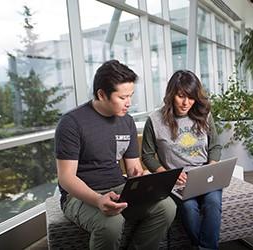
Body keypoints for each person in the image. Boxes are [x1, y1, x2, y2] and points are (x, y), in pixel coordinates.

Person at [54, 60, 176, 250]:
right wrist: (97, 200)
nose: (129, 103)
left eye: (131, 96)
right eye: (123, 97)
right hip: (79, 196)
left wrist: (142, 177)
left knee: (167, 208)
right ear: (101, 94)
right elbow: (66, 178)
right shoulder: (71, 123)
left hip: (119, 187)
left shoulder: (126, 121)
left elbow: (133, 168)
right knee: (111, 224)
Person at [141, 70, 222, 250]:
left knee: (213, 203)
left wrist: (211, 168)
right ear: (171, 95)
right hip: (176, 180)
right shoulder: (155, 120)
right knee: (188, 209)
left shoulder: (204, 114)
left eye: (191, 97)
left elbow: (215, 146)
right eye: (181, 96)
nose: (186, 103)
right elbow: (147, 155)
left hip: (205, 175)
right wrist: (168, 174)